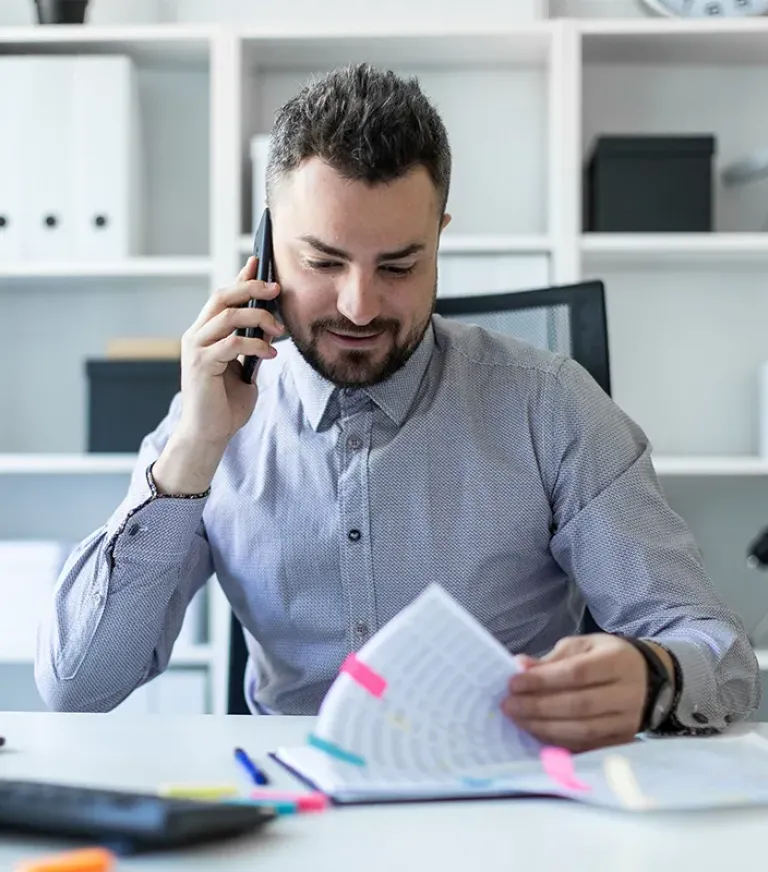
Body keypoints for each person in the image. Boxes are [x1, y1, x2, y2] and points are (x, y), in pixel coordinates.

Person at [36, 63, 759, 752]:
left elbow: (721, 658)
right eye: (322, 261)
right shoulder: (208, 419)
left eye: (398, 266)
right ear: (263, 248)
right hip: (297, 813)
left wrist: (652, 676)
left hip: (510, 799)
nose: (359, 304)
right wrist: (194, 450)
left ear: (441, 237)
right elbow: (76, 684)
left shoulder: (551, 407)